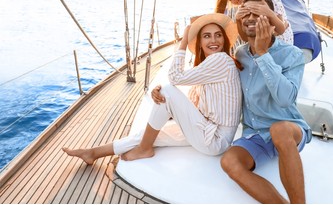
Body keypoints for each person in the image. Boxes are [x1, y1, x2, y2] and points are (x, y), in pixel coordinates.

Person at [63, 13, 242, 164]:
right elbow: (192, 100)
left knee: (165, 93)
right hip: (208, 132)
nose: (214, 40)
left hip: (215, 138)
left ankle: (144, 149)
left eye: (218, 35)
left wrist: (183, 41)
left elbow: (174, 78)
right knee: (151, 134)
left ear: (224, 39)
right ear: (201, 43)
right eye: (207, 36)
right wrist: (167, 102)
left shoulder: (221, 60)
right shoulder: (213, 66)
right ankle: (93, 153)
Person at [220, 0, 312, 204]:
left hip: (288, 129)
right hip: (256, 134)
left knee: (278, 130)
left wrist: (263, 54)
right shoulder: (241, 54)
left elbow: (285, 99)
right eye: (246, 13)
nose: (251, 18)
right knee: (229, 162)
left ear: (272, 20)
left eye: (258, 13)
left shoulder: (292, 54)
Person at [215, 0, 293, 45]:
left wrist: (269, 13)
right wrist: (238, 20)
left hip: (281, 44)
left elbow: (280, 29)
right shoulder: (241, 10)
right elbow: (246, 38)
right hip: (261, 46)